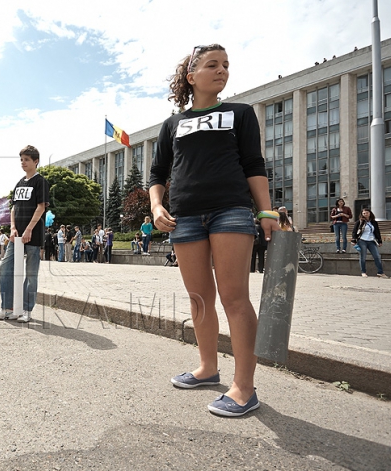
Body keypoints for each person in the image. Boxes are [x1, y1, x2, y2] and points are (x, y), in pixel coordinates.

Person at [149, 44, 278, 417]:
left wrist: (266, 209)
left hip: (231, 212)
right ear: (192, 77)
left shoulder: (240, 113)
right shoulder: (172, 124)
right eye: (212, 65)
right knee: (199, 298)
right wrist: (157, 205)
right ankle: (207, 368)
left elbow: (253, 163)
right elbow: (158, 175)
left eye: (225, 65)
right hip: (185, 216)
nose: (222, 70)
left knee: (234, 298)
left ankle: (244, 387)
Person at [0, 145, 49, 323]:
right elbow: (14, 207)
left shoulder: (41, 182)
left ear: (36, 161)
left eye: (27, 159)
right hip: (16, 236)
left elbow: (41, 206)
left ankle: (26, 309)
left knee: (31, 274)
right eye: (21, 159)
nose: (23, 163)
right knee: (5, 268)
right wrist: (13, 227)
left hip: (33, 235)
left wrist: (29, 228)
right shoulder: (19, 183)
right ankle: (6, 308)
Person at [351, 209, 388, 278]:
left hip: (371, 241)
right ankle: (363, 272)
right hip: (362, 240)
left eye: (367, 213)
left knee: (377, 256)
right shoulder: (359, 222)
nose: (365, 214)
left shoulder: (374, 222)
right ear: (362, 214)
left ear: (370, 213)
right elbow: (354, 231)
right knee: (363, 257)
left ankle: (380, 272)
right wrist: (353, 240)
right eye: (364, 213)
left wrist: (379, 241)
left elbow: (377, 232)